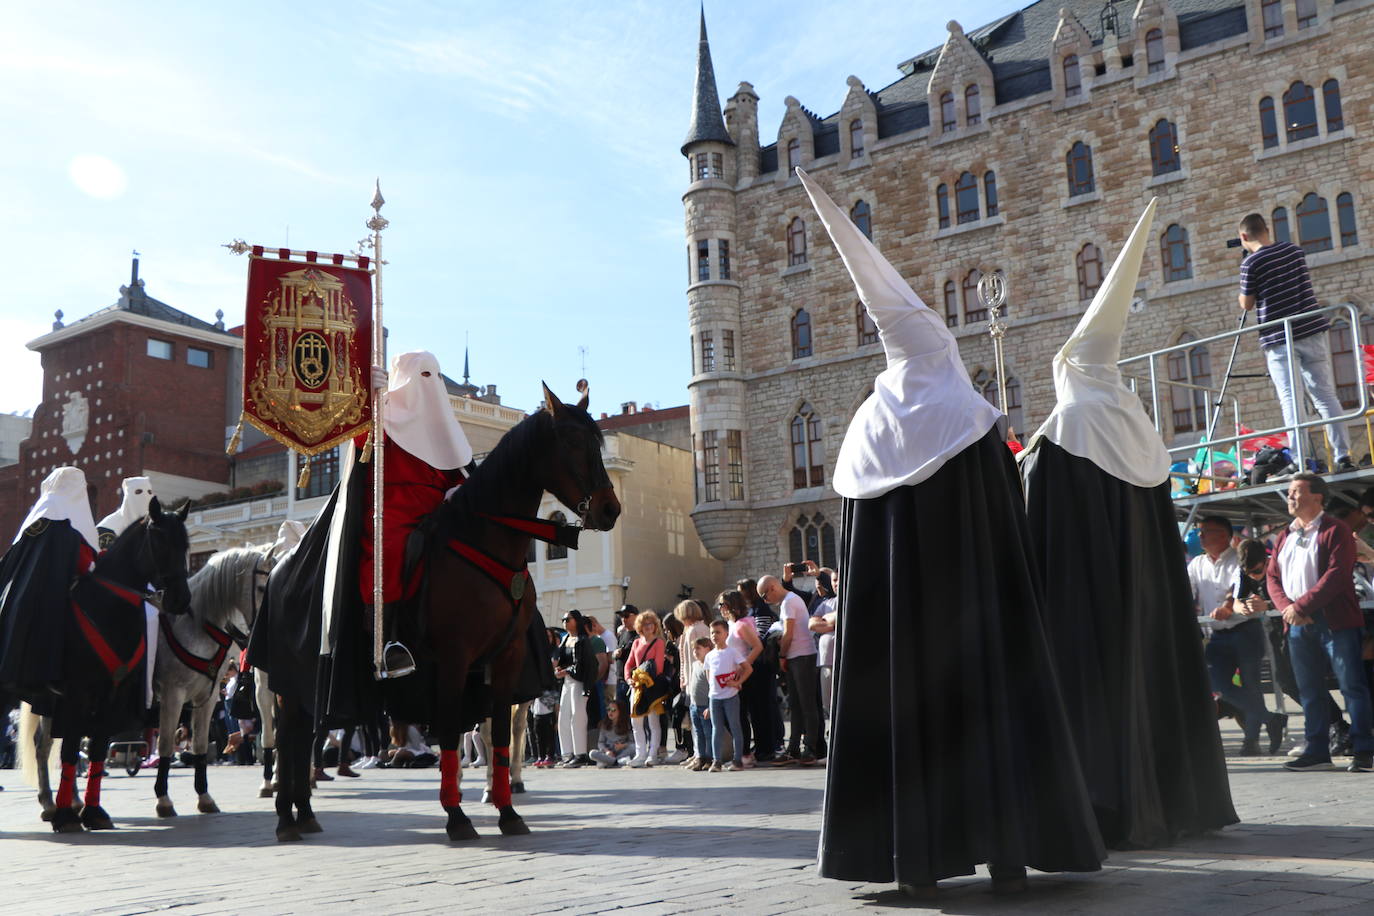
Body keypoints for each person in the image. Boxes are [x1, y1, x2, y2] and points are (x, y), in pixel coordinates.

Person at [799, 168, 1104, 893]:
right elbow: (1007, 525)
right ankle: (1004, 852)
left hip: (900, 642)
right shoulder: (968, 418)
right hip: (977, 625)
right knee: (989, 714)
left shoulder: (865, 433)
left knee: (905, 713)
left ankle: (913, 862)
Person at [1018, 197, 1236, 850]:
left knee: (1093, 700)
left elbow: (1036, 527)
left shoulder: (1063, 431)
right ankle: (1172, 802)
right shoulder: (1140, 426)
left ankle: (1105, 807)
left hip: (1083, 609)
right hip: (1145, 609)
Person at [1267, 473, 1374, 772]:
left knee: (1352, 686)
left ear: (1317, 498)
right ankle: (1317, 751)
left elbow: (1338, 575)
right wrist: (1288, 608)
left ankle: (1364, 750)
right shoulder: (1285, 535)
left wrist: (1301, 605)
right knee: (1309, 689)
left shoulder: (1335, 529)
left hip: (1335, 622)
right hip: (1298, 625)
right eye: (1289, 492)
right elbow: (1272, 577)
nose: (1290, 497)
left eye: (1296, 492)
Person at [1237, 213, 1354, 472]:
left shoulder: (1251, 264)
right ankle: (1343, 455)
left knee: (1291, 399)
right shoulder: (1294, 250)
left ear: (1244, 237)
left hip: (1280, 337)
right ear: (1267, 229)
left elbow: (1247, 304)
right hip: (1312, 329)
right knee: (1325, 395)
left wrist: (1246, 267)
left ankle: (1301, 461)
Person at [1189, 516, 1288, 755]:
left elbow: (1237, 588)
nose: (1200, 536)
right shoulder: (1196, 564)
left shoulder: (1238, 558)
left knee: (1252, 685)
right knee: (1217, 684)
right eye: (1200, 532)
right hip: (1217, 634)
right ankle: (1271, 718)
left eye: (1206, 531)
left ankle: (1251, 740)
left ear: (1223, 535)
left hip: (1246, 629)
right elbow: (1189, 592)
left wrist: (1227, 606)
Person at [0, 467, 100, 703]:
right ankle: (56, 679)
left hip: (12, 604)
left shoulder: (34, 520)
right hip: (48, 606)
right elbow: (86, 566)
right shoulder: (68, 527)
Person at [760, 575, 821, 765]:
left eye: (764, 595)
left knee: (806, 705)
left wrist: (782, 656)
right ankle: (794, 748)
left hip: (801, 657)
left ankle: (810, 748)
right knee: (797, 705)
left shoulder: (788, 602)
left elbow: (788, 634)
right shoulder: (790, 600)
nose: (765, 600)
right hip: (798, 657)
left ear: (772, 588)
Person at [736, 578, 781, 765]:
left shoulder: (761, 609)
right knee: (757, 709)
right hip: (755, 666)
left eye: (741, 591)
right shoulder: (752, 610)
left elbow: (761, 637)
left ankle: (767, 747)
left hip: (761, 665)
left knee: (763, 708)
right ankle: (763, 745)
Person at [717, 590, 763, 767]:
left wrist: (742, 667)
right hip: (732, 675)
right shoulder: (732, 625)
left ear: (731, 605)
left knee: (739, 715)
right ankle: (744, 752)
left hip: (744, 676)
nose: (720, 608)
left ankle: (745, 754)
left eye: (722, 604)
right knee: (734, 716)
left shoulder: (742, 625)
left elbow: (757, 647)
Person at [623, 609, 672, 767]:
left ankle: (652, 754)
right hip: (637, 686)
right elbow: (629, 664)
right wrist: (629, 679)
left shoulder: (659, 643)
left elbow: (658, 667)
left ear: (655, 625)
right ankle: (640, 754)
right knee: (636, 722)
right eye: (645, 624)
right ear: (639, 626)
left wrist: (639, 677)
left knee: (653, 722)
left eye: (651, 623)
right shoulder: (636, 642)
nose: (648, 626)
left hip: (652, 687)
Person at [704, 619, 750, 772]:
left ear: (726, 634)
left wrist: (738, 682)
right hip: (715, 698)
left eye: (718, 632)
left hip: (730, 696)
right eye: (712, 633)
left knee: (735, 727)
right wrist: (711, 694)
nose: (714, 636)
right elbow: (708, 675)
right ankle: (716, 761)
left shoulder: (732, 652)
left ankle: (738, 760)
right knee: (716, 729)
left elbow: (747, 668)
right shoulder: (709, 655)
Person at [554, 610, 597, 768]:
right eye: (563, 619)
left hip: (579, 682)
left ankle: (580, 754)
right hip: (567, 682)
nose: (565, 622)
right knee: (563, 718)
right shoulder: (566, 639)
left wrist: (567, 671)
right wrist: (560, 670)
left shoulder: (582, 640)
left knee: (577, 718)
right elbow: (563, 661)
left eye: (568, 619)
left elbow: (585, 665)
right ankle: (567, 753)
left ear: (576, 621)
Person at [686, 636, 714, 771]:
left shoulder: (709, 666)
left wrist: (710, 706)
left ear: (708, 649)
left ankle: (710, 758)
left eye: (698, 648)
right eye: (693, 649)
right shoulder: (695, 664)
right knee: (698, 733)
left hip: (705, 706)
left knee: (708, 733)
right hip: (694, 706)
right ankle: (701, 757)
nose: (695, 652)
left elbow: (712, 687)